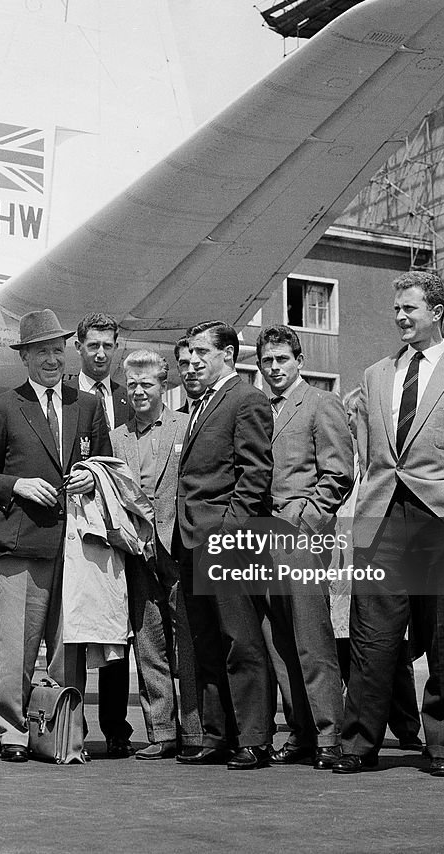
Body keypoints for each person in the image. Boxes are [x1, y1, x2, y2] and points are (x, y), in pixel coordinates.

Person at [333, 271, 444, 777]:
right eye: (396, 310)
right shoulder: (375, 374)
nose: (401, 317)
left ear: (438, 312)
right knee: (371, 638)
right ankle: (359, 745)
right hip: (381, 517)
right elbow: (369, 452)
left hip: (441, 518)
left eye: (410, 308)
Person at [0, 309, 111, 763]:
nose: (51, 359)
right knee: (16, 648)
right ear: (25, 358)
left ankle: (64, 733)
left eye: (57, 350)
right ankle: (11, 731)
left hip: (74, 547)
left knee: (67, 650)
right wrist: (17, 485)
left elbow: (107, 468)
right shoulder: (3, 407)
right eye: (41, 352)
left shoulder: (85, 406)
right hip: (20, 544)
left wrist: (92, 479)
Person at [172, 321, 276, 770]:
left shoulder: (246, 400)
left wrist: (229, 534)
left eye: (200, 353)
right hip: (193, 541)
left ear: (228, 355)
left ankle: (254, 738)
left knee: (241, 641)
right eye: (188, 355)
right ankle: (218, 734)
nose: (191, 362)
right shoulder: (200, 404)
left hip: (226, 541)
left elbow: (255, 474)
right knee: (207, 643)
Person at [256, 325, 353, 769]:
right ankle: (299, 733)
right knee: (277, 643)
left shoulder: (321, 403)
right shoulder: (257, 408)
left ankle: (330, 734)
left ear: (298, 360)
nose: (274, 368)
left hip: (299, 538)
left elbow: (338, 475)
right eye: (267, 361)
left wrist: (305, 523)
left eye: (282, 359)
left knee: (312, 641)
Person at [109, 349, 202, 759]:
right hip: (137, 552)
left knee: (191, 643)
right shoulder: (115, 437)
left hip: (181, 549)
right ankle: (162, 732)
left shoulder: (188, 424)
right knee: (149, 643)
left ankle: (197, 732)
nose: (140, 392)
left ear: (165, 385)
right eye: (133, 386)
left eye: (148, 384)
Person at [334, 387, 423, 752]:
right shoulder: (350, 467)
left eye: (353, 416)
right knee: (349, 650)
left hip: (376, 570)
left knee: (390, 653)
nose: (349, 423)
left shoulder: (381, 469)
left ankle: (405, 726)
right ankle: (355, 722)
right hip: (344, 570)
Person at [66, 311, 134, 756]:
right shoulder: (64, 396)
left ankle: (115, 726)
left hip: (117, 529)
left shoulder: (132, 400)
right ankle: (71, 724)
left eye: (109, 345)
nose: (101, 353)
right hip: (73, 527)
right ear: (79, 345)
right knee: (73, 629)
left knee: (115, 629)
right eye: (93, 345)